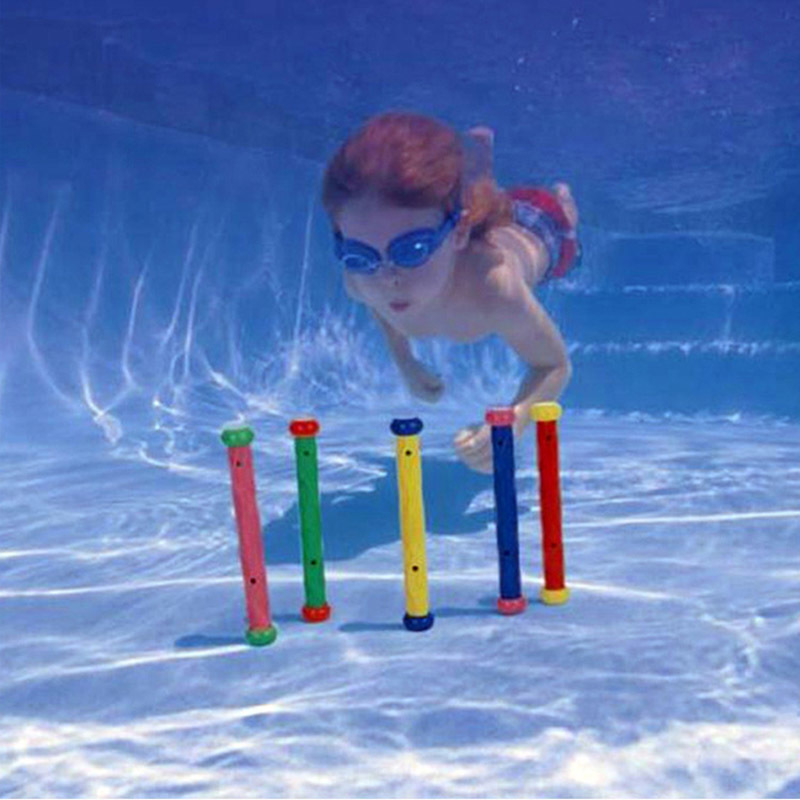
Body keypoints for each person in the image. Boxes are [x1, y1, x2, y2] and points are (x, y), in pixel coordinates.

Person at [321, 111, 579, 473]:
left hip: (539, 228)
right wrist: (405, 362)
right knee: (471, 196)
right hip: (463, 214)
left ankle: (561, 197)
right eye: (360, 255)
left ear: (459, 233)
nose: (386, 278)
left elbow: (554, 365)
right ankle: (478, 167)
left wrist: (513, 421)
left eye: (411, 250)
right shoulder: (361, 280)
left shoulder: (494, 288)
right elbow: (380, 306)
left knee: (565, 227)